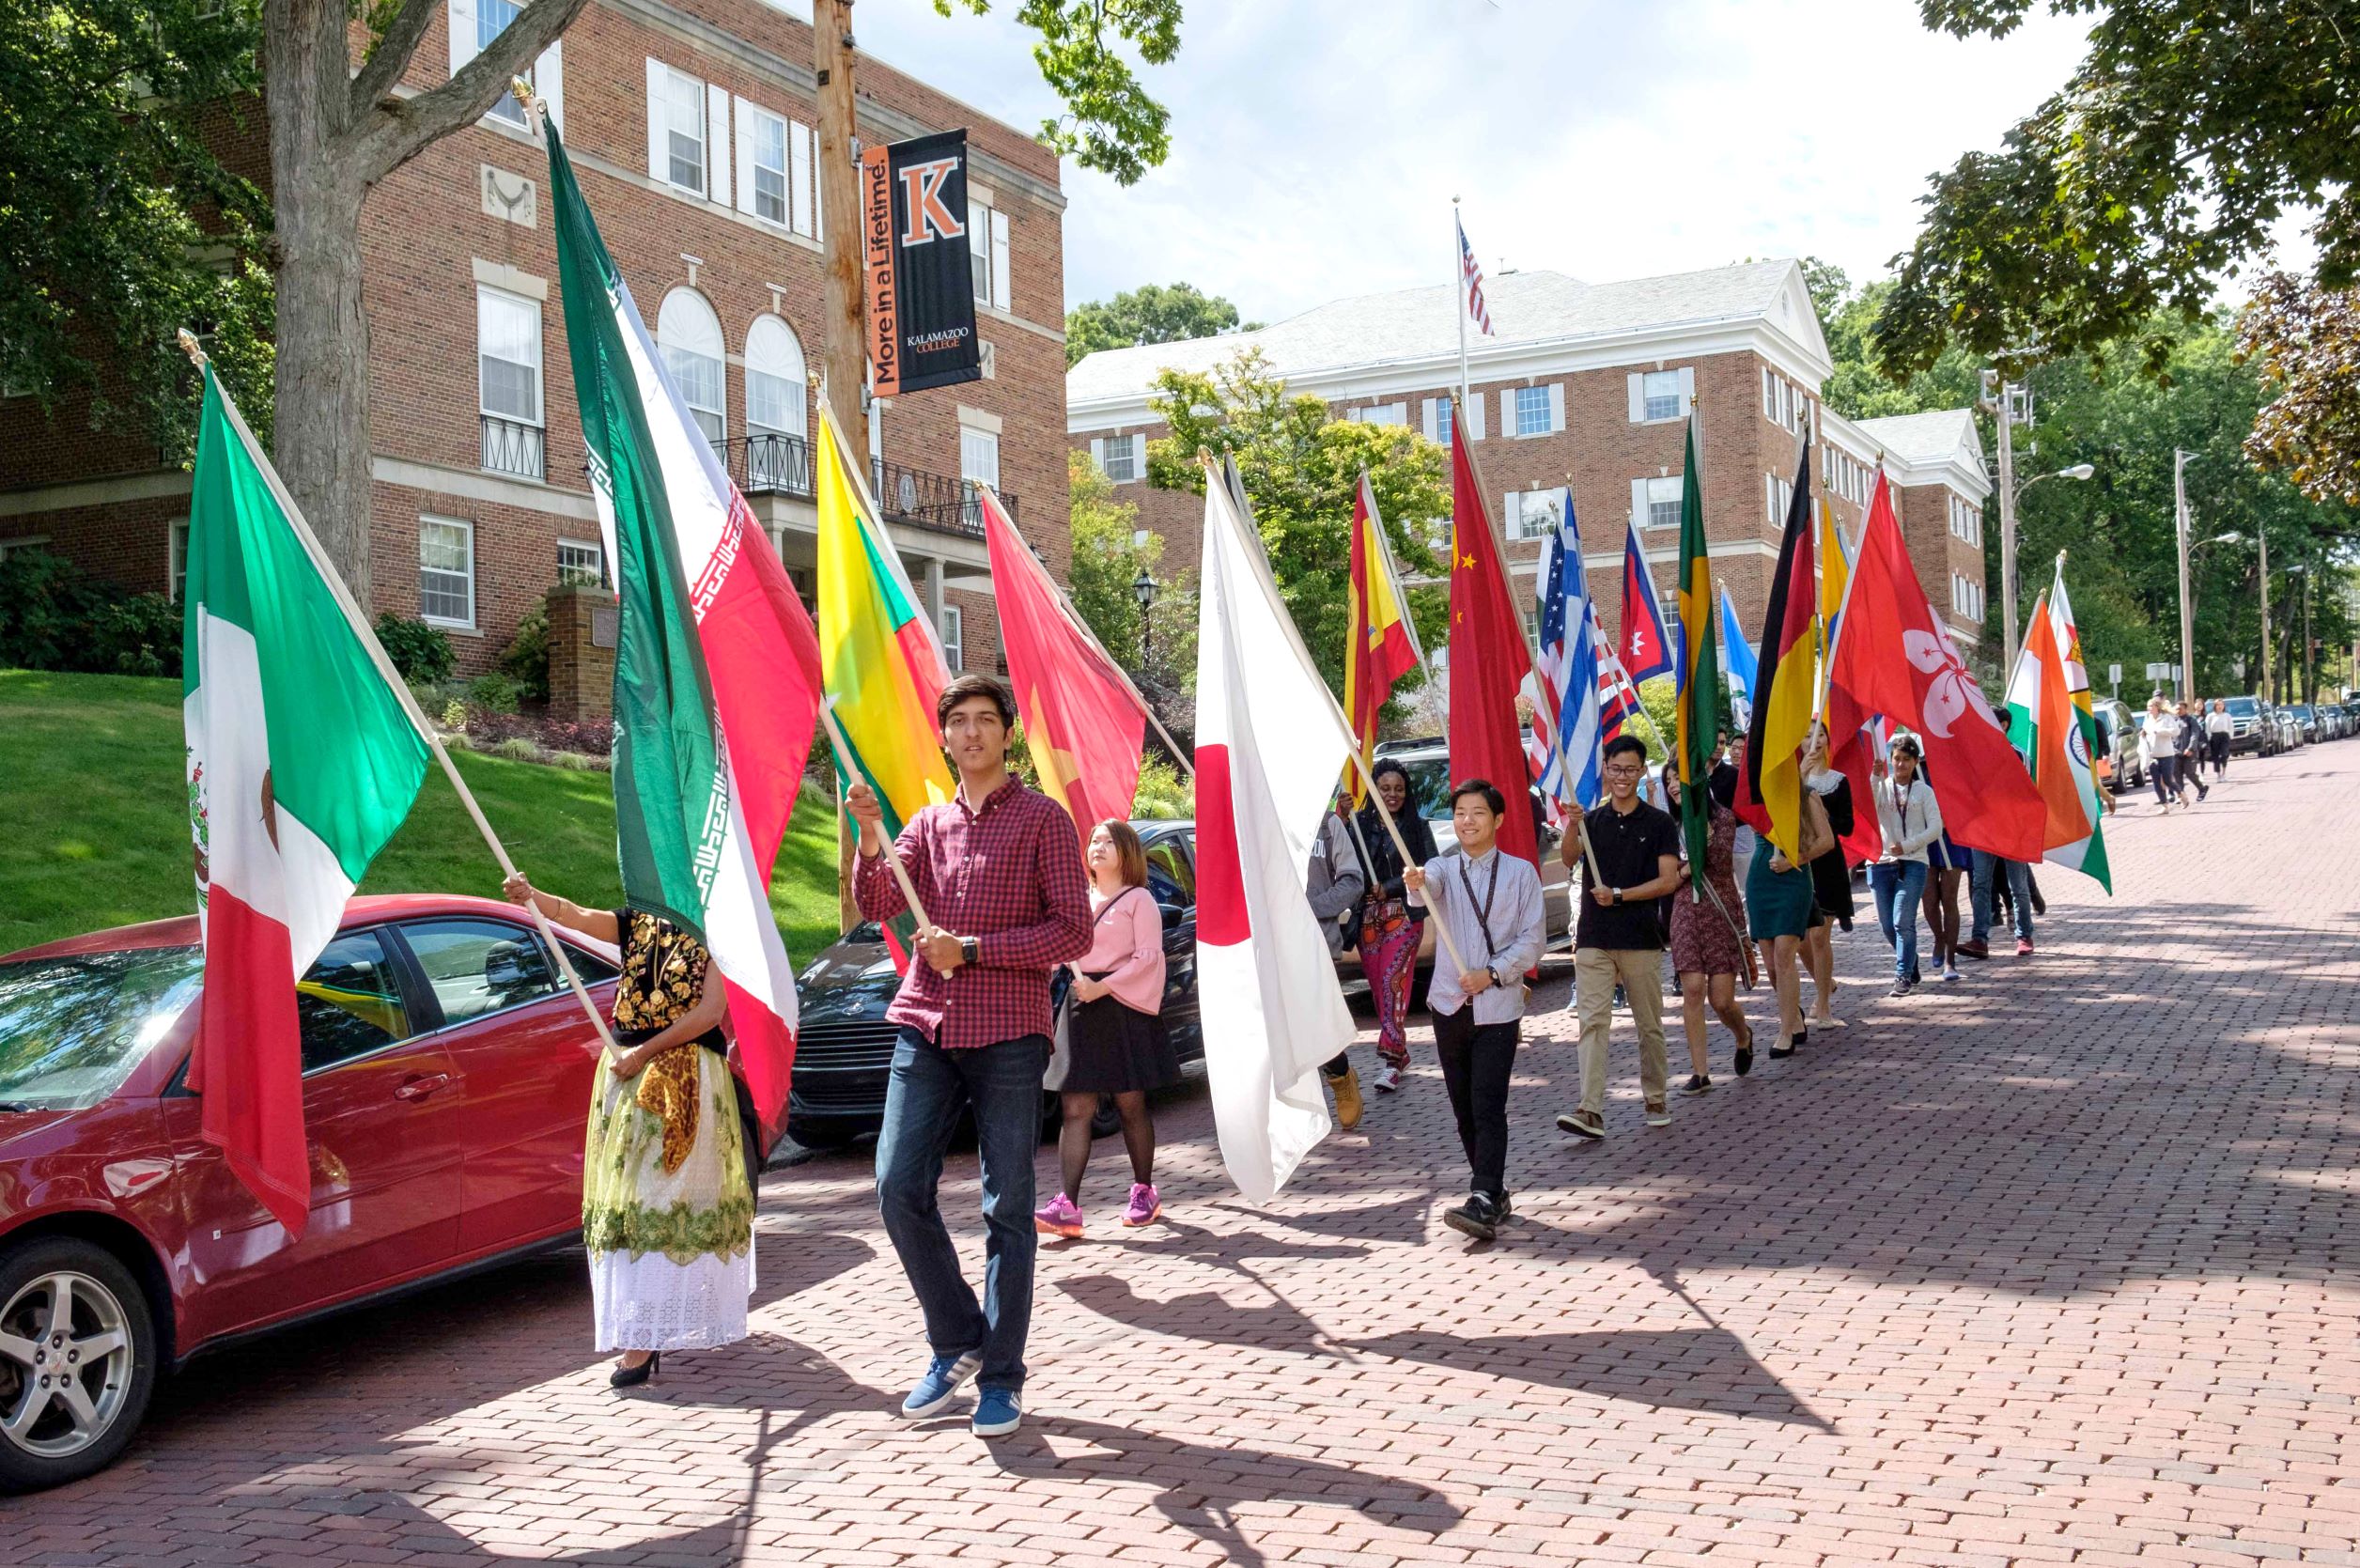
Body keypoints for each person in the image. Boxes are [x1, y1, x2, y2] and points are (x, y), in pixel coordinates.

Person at [847, 672, 1091, 1439]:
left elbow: (1072, 933)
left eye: (987, 720)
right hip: (926, 1022)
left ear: (1006, 733)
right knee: (895, 1185)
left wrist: (976, 949)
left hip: (1010, 1032)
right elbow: (880, 902)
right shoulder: (925, 823)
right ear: (945, 735)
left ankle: (1001, 1377)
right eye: (960, 722)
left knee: (1006, 1205)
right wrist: (866, 834)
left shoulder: (1045, 822)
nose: (974, 733)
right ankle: (956, 1336)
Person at [501, 875, 750, 1389]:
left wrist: (646, 1052)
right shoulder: (638, 921)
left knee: (665, 1202)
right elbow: (571, 912)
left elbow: (710, 1012)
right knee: (632, 1204)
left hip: (686, 1079)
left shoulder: (716, 927)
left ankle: (647, 1335)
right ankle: (646, 1327)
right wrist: (533, 897)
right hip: (627, 1077)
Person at [1404, 780, 1545, 1242]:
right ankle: (1494, 1192)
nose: (1467, 820)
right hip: (1449, 1005)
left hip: (1498, 1007)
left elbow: (1533, 941)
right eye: (1460, 812)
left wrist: (1494, 972)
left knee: (1488, 1103)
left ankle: (1481, 1194)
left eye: (1478, 812)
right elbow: (1428, 887)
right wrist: (1417, 882)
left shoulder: (1521, 874)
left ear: (1498, 819)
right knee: (1463, 1108)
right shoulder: (1443, 869)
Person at [1035, 820, 1177, 1240]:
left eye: (1108, 842)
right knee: (1075, 1108)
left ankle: (1144, 1191)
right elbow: (1059, 954)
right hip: (1082, 1007)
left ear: (1127, 853)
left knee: (1129, 1103)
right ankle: (1067, 1205)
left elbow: (1149, 959)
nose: (1097, 847)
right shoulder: (1076, 902)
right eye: (1094, 841)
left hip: (1123, 1008)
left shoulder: (1141, 900)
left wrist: (1104, 987)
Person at [1556, 735, 1685, 1139]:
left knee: (1649, 1024)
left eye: (1631, 769)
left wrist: (1621, 895)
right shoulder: (1592, 820)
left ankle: (1655, 1095)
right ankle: (1590, 1108)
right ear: (1606, 770)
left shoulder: (1659, 823)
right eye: (1616, 769)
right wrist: (1573, 825)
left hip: (1641, 938)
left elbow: (1667, 881)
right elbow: (1567, 857)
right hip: (1594, 937)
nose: (1623, 777)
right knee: (1593, 1022)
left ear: (1642, 770)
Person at [1660, 768, 1753, 1094]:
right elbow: (1669, 876)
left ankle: (1743, 1036)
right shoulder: (1668, 827)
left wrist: (1696, 852)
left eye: (1677, 779)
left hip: (1720, 909)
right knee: (1694, 989)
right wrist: (1686, 868)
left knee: (1722, 1000)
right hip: (1685, 911)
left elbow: (1718, 861)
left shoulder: (1722, 818)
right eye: (1667, 780)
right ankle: (1700, 1072)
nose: (1672, 786)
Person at [1743, 744, 1836, 1057]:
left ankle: (1783, 1032)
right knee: (1770, 964)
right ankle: (1793, 1017)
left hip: (1793, 878)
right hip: (1760, 879)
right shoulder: (1759, 798)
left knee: (1785, 954)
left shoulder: (1806, 795)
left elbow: (1826, 841)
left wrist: (1796, 858)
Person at [1357, 759, 1440, 1094]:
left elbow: (1431, 868)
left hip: (1404, 917)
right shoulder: (1359, 825)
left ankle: (1391, 1061)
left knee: (1393, 979)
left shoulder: (1417, 827)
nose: (1392, 795)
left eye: (1399, 789)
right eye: (1385, 788)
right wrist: (1342, 818)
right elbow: (1346, 865)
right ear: (1374, 789)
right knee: (1379, 989)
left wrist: (1390, 886)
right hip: (1367, 921)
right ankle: (1401, 1053)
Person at [1307, 796, 1370, 1128]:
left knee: (1315, 1023)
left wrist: (1312, 907)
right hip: (1273, 943)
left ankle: (1341, 1076)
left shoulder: (1328, 825)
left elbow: (1353, 881)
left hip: (1316, 941)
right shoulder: (1263, 824)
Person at [1868, 735, 1946, 997]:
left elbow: (1936, 827)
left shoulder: (1924, 792)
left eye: (1905, 760)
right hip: (1881, 862)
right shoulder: (1883, 786)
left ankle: (1902, 974)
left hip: (1913, 862)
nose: (1900, 765)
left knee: (1903, 920)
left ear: (1915, 762)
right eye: (1896, 759)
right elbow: (1869, 806)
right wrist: (1875, 777)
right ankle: (1911, 964)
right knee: (1888, 926)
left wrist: (1909, 845)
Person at [1799, 722, 1855, 1015]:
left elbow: (1847, 825)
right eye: (1808, 735)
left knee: (1820, 935)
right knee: (1800, 940)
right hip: (1799, 863)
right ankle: (1825, 981)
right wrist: (1801, 779)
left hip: (1829, 864)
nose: (1815, 740)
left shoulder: (1838, 781)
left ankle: (1822, 1003)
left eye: (1820, 734)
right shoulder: (1791, 779)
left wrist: (1823, 817)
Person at [1912, 750, 1968, 982]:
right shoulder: (1918, 767)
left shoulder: (1958, 765)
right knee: (1929, 901)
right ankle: (1939, 937)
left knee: (1950, 898)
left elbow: (1969, 799)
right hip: (1925, 838)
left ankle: (1950, 960)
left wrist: (1952, 818)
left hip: (1952, 838)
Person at [1966, 848, 2035, 958]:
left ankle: (2024, 936)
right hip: (1982, 836)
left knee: (2018, 887)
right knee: (1980, 885)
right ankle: (1979, 940)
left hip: (2013, 836)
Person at [2140, 696, 2181, 810]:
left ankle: (2181, 794)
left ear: (2157, 707)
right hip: (2153, 755)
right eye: (2148, 706)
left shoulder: (2166, 717)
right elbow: (2146, 729)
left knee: (2167, 780)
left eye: (2151, 706)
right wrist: (2143, 733)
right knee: (2156, 782)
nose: (2149, 708)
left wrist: (2160, 732)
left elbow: (2176, 731)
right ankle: (2165, 805)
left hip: (2166, 754)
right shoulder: (2147, 718)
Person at [2173, 699, 2210, 803]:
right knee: (2177, 775)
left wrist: (2190, 748)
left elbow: (2195, 735)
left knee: (2190, 773)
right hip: (2177, 752)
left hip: (2190, 752)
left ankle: (2202, 788)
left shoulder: (2191, 720)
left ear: (2185, 709)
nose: (2178, 711)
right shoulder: (2174, 721)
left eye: (2180, 709)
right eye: (2176, 709)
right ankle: (2181, 795)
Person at [2205, 698, 2233, 778]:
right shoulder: (2210, 716)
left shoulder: (2227, 715)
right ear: (2215, 706)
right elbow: (2207, 727)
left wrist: (2230, 735)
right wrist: (2209, 736)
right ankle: (2218, 774)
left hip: (2224, 736)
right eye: (2217, 705)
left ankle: (2224, 773)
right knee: (2216, 756)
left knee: (2224, 754)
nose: (2219, 706)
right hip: (2214, 736)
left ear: (2224, 706)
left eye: (2221, 704)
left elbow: (2231, 726)